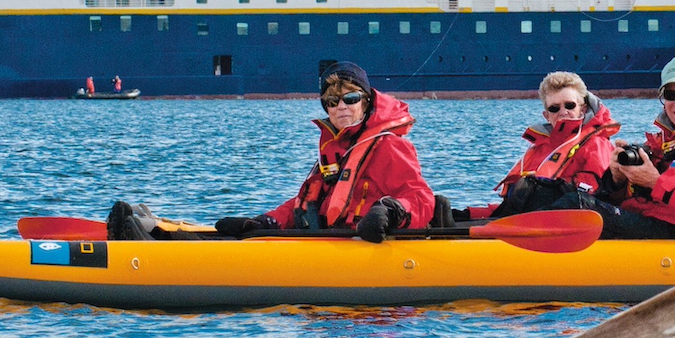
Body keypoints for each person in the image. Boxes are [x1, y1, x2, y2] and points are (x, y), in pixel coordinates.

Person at [108, 62, 436, 244]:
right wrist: (264, 222)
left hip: (357, 245)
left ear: (366, 101)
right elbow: (305, 203)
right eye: (332, 102)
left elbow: (421, 199)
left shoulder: (390, 146)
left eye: (350, 99)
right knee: (241, 238)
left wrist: (391, 212)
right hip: (323, 239)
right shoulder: (336, 150)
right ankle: (157, 233)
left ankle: (152, 245)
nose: (341, 108)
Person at [554, 55, 675, 239]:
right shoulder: (663, 141)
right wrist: (617, 180)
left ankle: (526, 249)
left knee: (577, 204)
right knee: (550, 192)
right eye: (671, 94)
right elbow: (627, 198)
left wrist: (656, 183)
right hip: (650, 218)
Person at [462, 71, 620, 220]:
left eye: (570, 105)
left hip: (571, 221)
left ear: (582, 109)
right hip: (528, 219)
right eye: (554, 108)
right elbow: (515, 204)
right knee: (452, 212)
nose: (563, 111)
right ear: (547, 115)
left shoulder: (597, 145)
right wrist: (470, 214)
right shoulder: (540, 147)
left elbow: (591, 194)